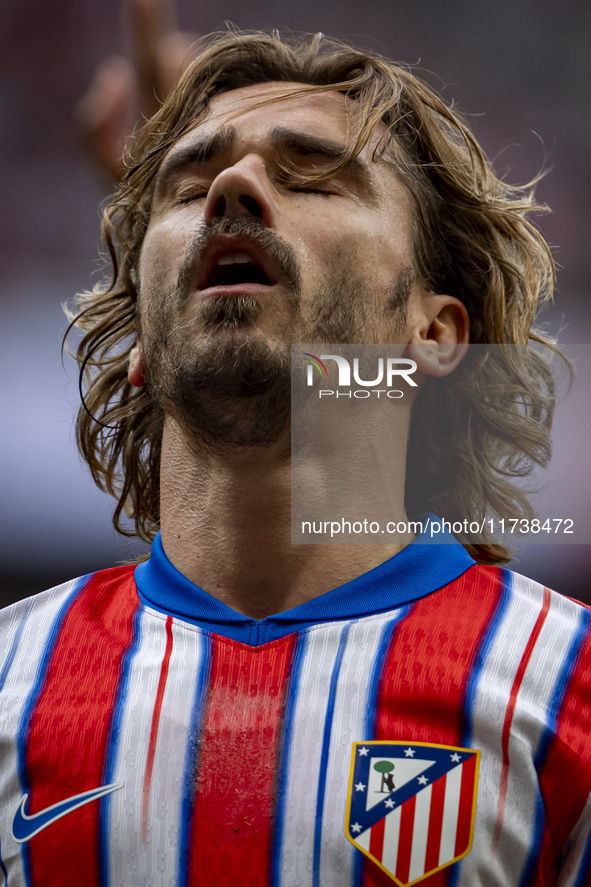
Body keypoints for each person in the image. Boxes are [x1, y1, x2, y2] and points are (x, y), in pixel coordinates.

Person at [0, 28, 590, 887]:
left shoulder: (567, 690)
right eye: (191, 183)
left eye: (312, 173)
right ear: (140, 346)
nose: (232, 186)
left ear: (430, 332)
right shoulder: (12, 683)